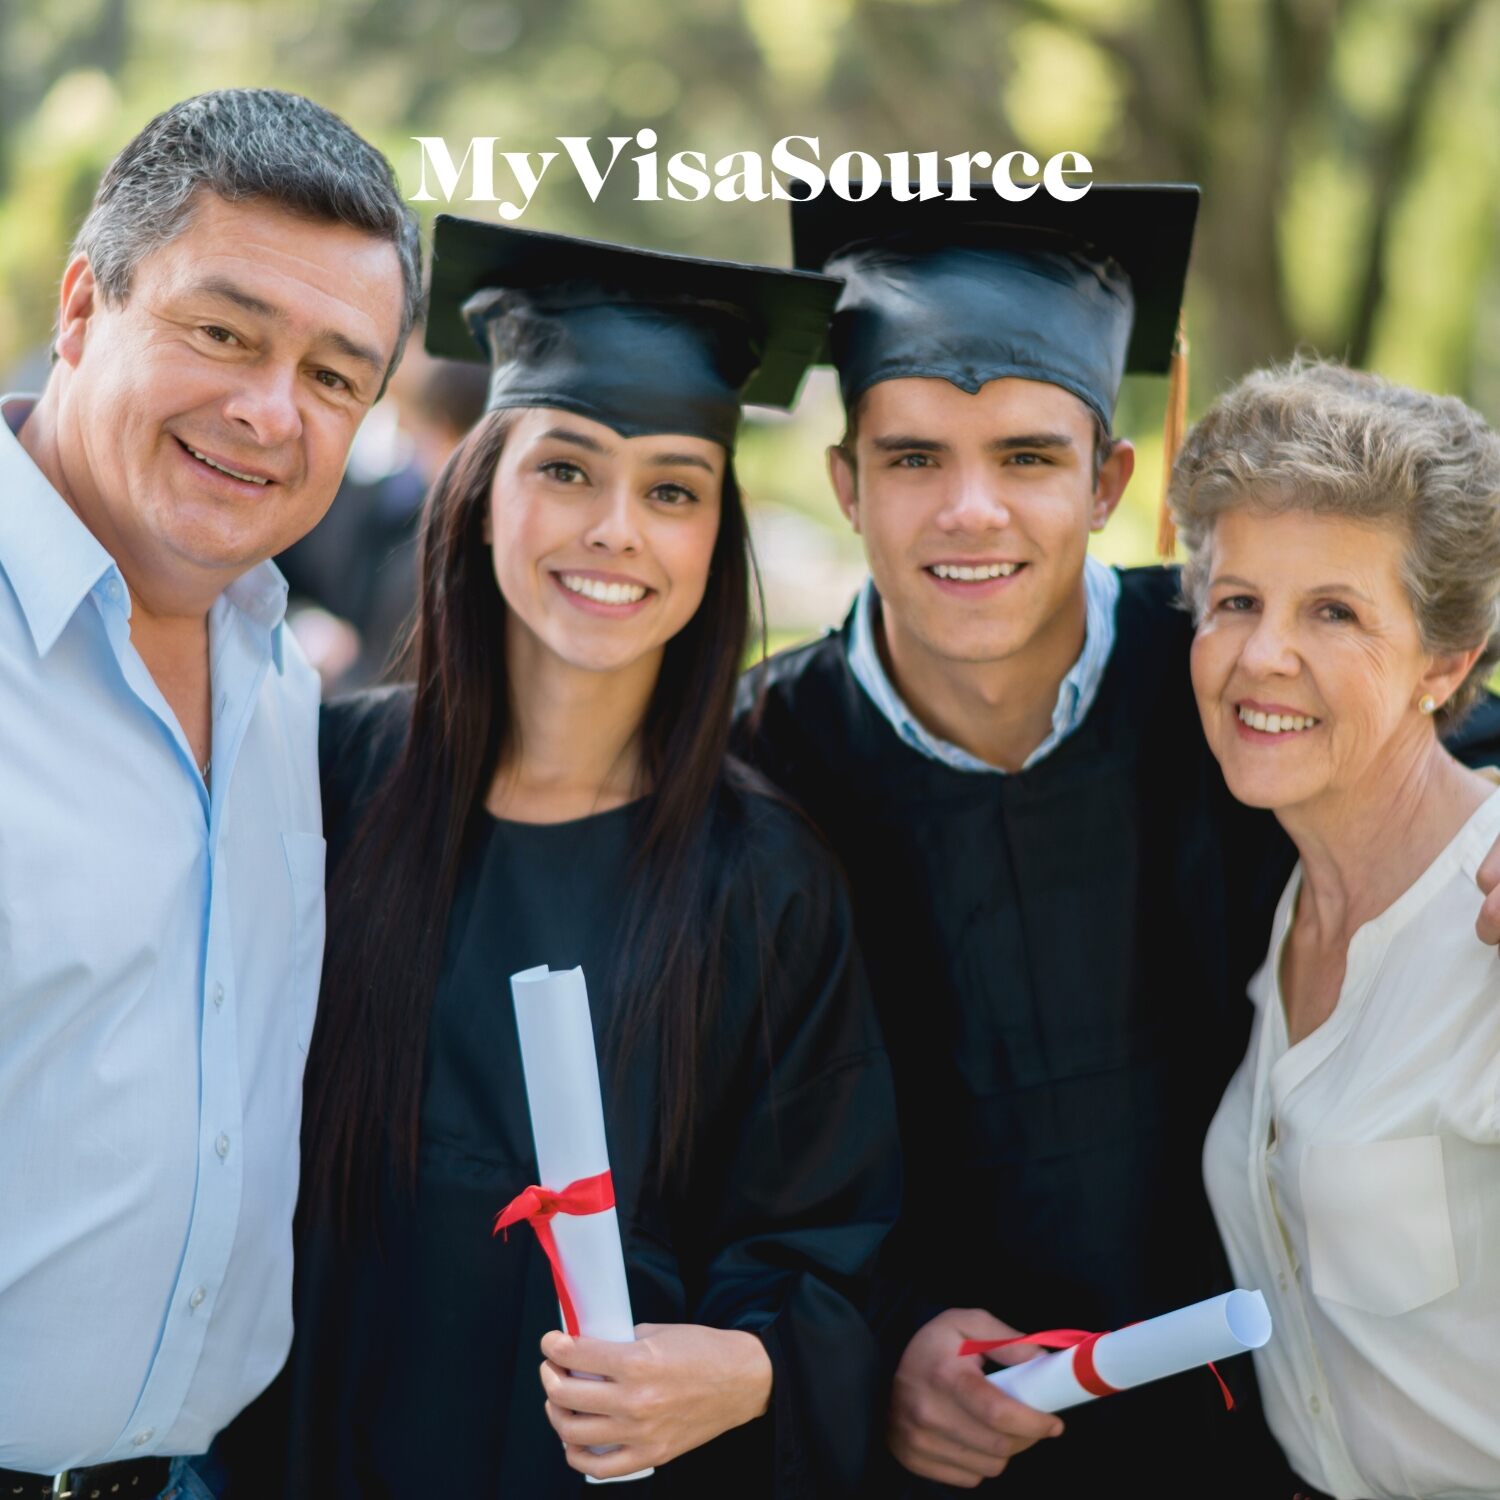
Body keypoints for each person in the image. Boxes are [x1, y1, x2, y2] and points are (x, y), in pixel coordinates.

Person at [734, 184, 1500, 1494]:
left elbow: (1434, 726)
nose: (972, 510)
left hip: (1259, 1456)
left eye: (1029, 456)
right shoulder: (759, 771)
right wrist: (886, 1341)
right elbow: (749, 1161)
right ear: (847, 484)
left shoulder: (1225, 686)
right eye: (915, 456)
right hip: (961, 1458)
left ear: (1109, 479)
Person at [219, 217, 901, 1498]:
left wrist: (748, 1366)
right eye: (569, 470)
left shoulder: (765, 881)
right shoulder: (319, 780)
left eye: (674, 491)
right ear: (482, 495)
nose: (618, 531)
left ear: (714, 541)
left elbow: (825, 1250)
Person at [0, 90, 418, 1500]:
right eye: (224, 332)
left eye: (334, 375)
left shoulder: (280, 686)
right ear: (80, 308)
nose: (267, 411)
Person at [1180, 362, 1500, 1500]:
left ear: (1446, 662)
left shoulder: (1490, 936)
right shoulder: (1288, 903)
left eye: (1335, 611)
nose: (1263, 654)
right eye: (1237, 601)